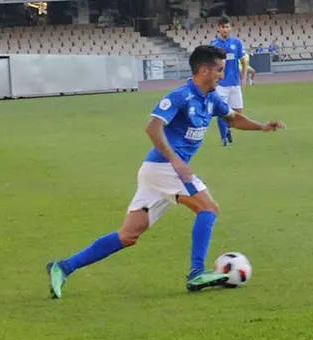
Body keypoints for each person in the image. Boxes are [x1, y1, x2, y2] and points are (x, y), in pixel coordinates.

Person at [45, 46, 285, 298]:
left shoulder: (211, 98)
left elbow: (233, 118)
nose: (222, 75)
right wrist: (176, 161)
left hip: (155, 172)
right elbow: (153, 127)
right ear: (204, 70)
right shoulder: (181, 97)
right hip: (165, 167)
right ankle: (196, 273)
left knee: (128, 235)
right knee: (208, 208)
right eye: (219, 70)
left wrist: (262, 127)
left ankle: (63, 267)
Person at [210, 15, 249, 146]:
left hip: (234, 83)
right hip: (221, 85)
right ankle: (224, 138)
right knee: (222, 111)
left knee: (238, 112)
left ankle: (227, 128)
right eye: (222, 27)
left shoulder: (236, 43)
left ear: (230, 28)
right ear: (218, 29)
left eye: (227, 27)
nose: (225, 29)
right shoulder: (214, 45)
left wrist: (243, 78)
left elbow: (244, 61)